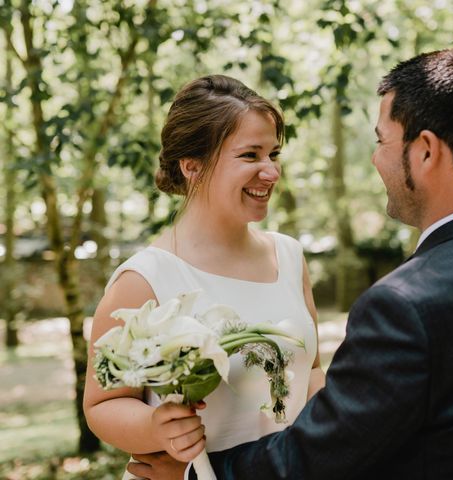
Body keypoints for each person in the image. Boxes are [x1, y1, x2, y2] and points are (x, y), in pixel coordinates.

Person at [189, 46, 453, 479]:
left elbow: (315, 460)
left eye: (382, 140)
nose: (375, 158)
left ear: (426, 151)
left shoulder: (404, 306)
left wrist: (200, 472)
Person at [83, 75, 326, 480]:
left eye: (273, 154)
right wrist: (154, 427)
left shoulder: (290, 256)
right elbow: (102, 405)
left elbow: (312, 370)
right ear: (192, 166)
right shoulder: (144, 278)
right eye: (250, 155)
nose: (270, 172)